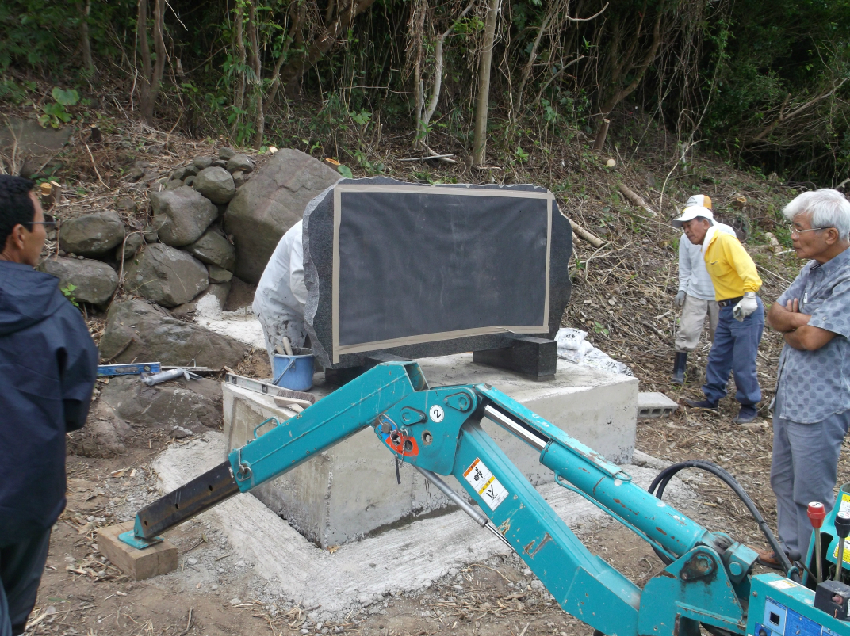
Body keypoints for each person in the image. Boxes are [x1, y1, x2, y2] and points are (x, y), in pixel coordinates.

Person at [0, 175, 98, 636]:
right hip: (24, 498)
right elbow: (74, 410)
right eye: (44, 222)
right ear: (19, 234)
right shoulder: (55, 315)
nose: (45, 233)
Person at [760, 189, 850, 567]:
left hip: (821, 402)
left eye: (799, 229)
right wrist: (802, 319)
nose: (792, 236)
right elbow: (774, 314)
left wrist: (801, 322)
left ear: (830, 234)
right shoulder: (811, 269)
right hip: (790, 396)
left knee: (812, 492)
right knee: (783, 481)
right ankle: (791, 552)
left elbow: (812, 340)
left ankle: (817, 566)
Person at [671, 204, 764, 423]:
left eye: (689, 225)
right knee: (718, 356)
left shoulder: (724, 240)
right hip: (726, 309)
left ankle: (749, 405)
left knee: (743, 361)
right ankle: (712, 398)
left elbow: (747, 267)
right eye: (683, 227)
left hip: (745, 308)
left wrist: (749, 296)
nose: (686, 231)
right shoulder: (707, 246)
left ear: (705, 222)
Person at [672, 194, 721, 384]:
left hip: (721, 294)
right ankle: (679, 370)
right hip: (695, 291)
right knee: (687, 331)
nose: (687, 228)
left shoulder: (723, 233)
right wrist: (682, 288)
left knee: (721, 335)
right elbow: (685, 266)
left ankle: (717, 376)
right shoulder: (686, 237)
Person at [253, 220, 308, 366]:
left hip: (305, 307)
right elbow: (299, 281)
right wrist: (325, 319)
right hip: (279, 306)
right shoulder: (305, 234)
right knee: (290, 369)